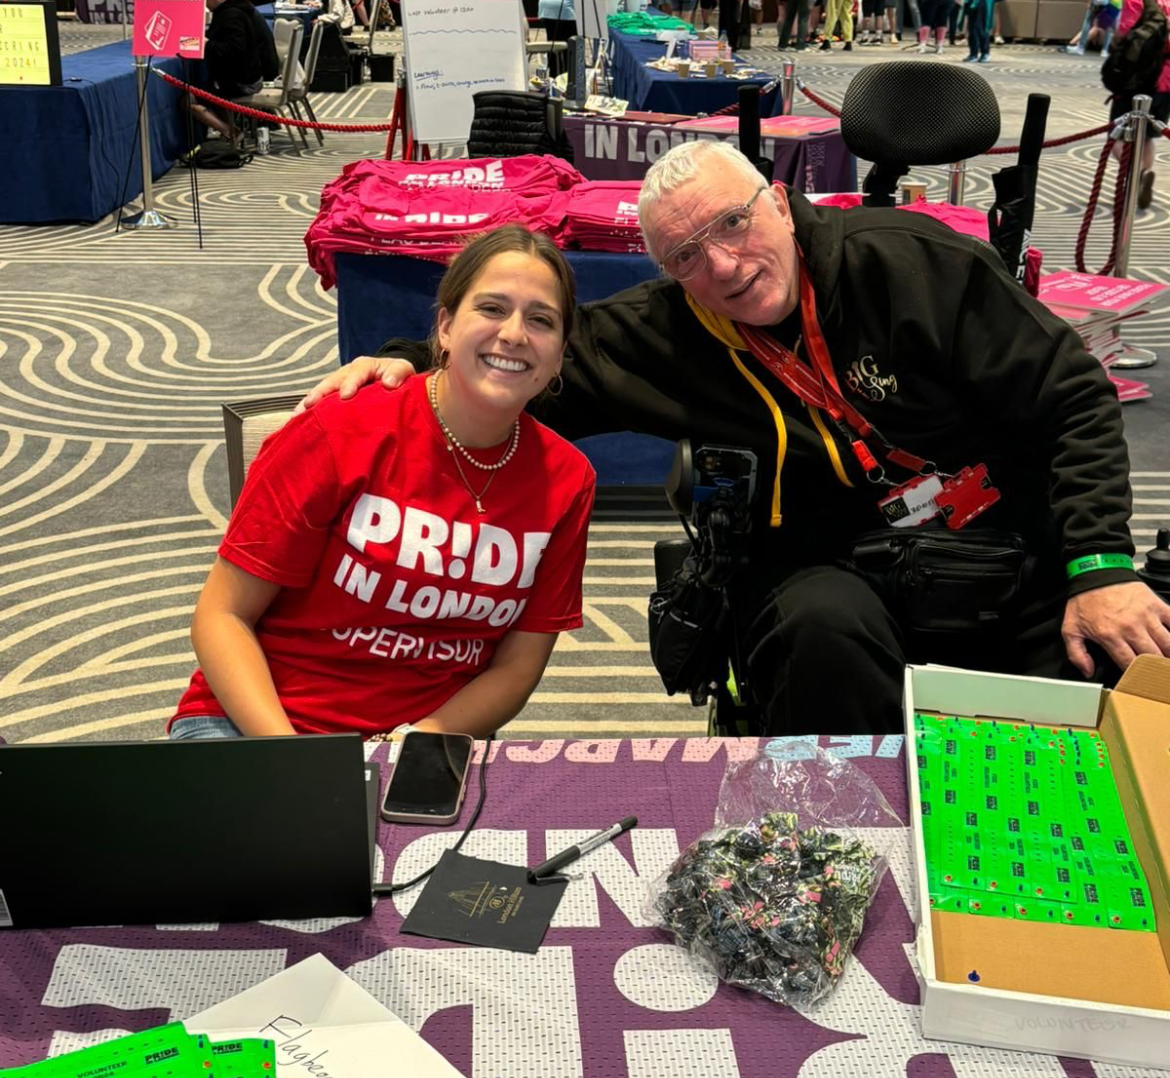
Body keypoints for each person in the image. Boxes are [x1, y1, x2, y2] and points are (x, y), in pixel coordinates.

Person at [301, 141, 1170, 736]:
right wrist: (404, 363)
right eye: (682, 255)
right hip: (826, 574)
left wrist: (1102, 567)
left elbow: (1074, 399)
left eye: (730, 225)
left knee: (1100, 684)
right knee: (816, 634)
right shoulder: (670, 329)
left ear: (780, 205)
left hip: (998, 548)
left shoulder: (911, 262)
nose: (720, 265)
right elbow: (517, 360)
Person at [169, 226, 595, 741]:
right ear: (444, 327)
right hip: (258, 724)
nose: (514, 333)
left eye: (541, 320)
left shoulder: (566, 481)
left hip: (424, 739)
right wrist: (299, 761)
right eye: (491, 308)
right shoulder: (339, 430)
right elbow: (222, 616)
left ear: (557, 355)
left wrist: (413, 744)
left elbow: (516, 669)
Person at [188, 0, 280, 141]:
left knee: (188, 99)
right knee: (205, 91)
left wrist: (206, 44)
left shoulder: (231, 15)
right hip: (246, 77)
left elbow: (233, 51)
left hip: (242, 82)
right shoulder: (234, 11)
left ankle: (230, 131)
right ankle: (231, 129)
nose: (204, 4)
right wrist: (188, 42)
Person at [1108, 0, 1170, 209]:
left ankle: (1137, 175)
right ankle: (1144, 172)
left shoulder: (1136, 1)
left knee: (1114, 135)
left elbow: (1126, 32)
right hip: (1166, 81)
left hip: (1137, 80)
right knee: (1148, 136)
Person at [539, 0, 576, 79]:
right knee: (570, 49)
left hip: (546, 7)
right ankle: (569, 80)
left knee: (553, 46)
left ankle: (553, 78)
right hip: (564, 9)